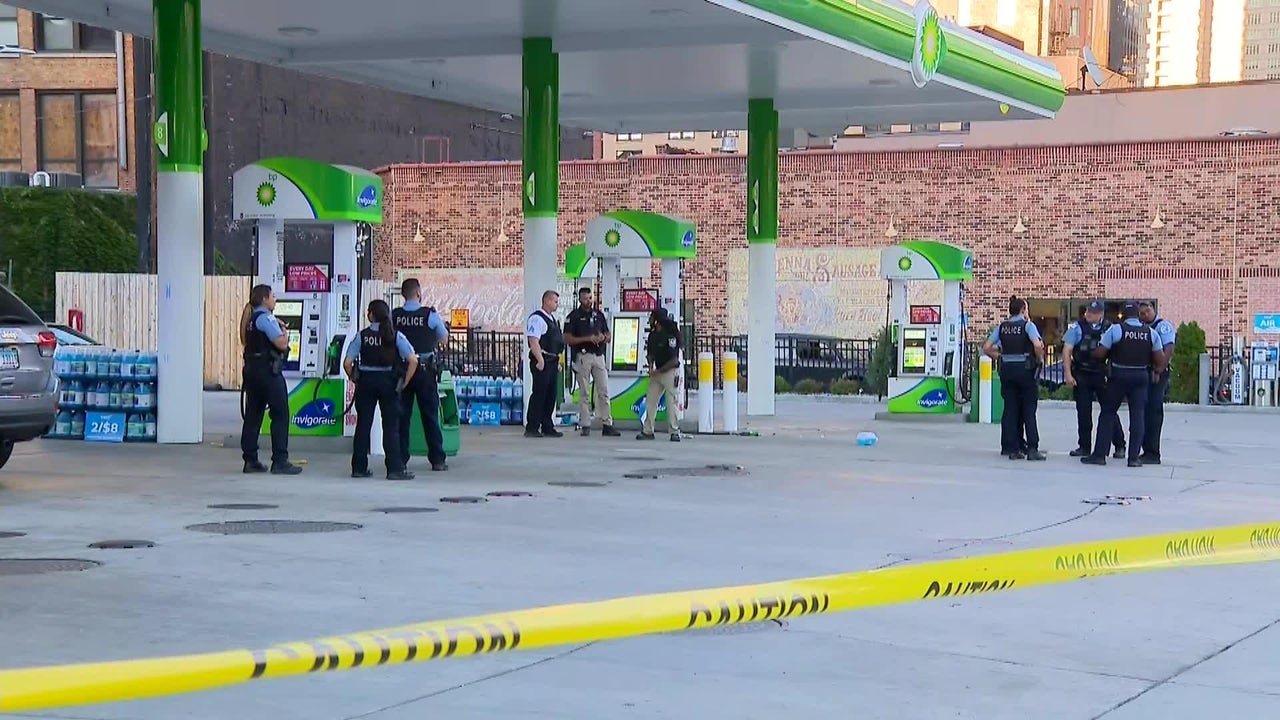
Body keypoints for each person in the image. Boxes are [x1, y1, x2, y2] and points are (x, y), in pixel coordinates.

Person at [1081, 300, 1165, 468]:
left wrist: (1098, 354)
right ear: (1138, 314)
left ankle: (1099, 455)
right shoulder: (1150, 332)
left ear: (1124, 315)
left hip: (1118, 375)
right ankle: (1133, 458)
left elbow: (1100, 353)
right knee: (1138, 415)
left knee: (1108, 413)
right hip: (1141, 376)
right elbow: (1161, 359)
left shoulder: (1116, 329)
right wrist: (1155, 371)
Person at [344, 299, 418, 480]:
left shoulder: (362, 336)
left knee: (363, 425)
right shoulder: (395, 336)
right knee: (391, 427)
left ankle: (359, 468)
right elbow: (413, 360)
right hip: (389, 382)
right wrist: (404, 383)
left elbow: (347, 363)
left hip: (366, 382)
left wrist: (354, 378)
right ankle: (394, 469)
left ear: (371, 315)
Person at [238, 284, 302, 475]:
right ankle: (280, 460)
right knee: (280, 413)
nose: (275, 299)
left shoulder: (251, 319)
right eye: (273, 296)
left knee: (253, 415)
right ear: (265, 298)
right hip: (268, 371)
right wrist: (284, 330)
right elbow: (281, 343)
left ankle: (250, 460)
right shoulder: (266, 318)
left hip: (252, 371)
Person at [391, 278, 449, 471]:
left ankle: (401, 459)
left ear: (402, 294)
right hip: (425, 370)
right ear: (418, 293)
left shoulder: (394, 316)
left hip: (402, 370)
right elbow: (443, 338)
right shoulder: (429, 315)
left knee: (402, 416)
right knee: (430, 416)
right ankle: (437, 459)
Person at [983, 296, 1046, 461]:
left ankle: (1011, 448)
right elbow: (1037, 345)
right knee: (1029, 409)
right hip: (1025, 370)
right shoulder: (1028, 326)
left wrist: (1000, 357)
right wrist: (1039, 359)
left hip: (1007, 371)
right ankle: (1032, 448)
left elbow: (987, 347)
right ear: (1023, 310)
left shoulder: (1002, 327)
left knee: (1010, 409)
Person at [1063, 300, 1126, 459]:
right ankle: (1084, 447)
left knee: (1109, 411)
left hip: (1101, 374)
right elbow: (1067, 351)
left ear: (1101, 314)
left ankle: (1119, 445)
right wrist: (1068, 374)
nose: (1088, 314)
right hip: (1082, 373)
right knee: (1083, 412)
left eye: (1092, 312)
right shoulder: (1077, 328)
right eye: (1088, 311)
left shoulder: (1110, 328)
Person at [564, 286, 619, 437]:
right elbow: (567, 338)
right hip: (583, 356)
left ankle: (607, 423)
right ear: (580, 299)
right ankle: (585, 424)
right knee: (584, 392)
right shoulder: (574, 316)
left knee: (603, 390)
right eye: (585, 299)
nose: (588, 301)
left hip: (599, 356)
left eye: (590, 298)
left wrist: (604, 337)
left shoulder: (598, 315)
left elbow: (608, 334)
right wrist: (588, 338)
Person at [637, 308, 684, 442]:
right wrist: (651, 365)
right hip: (657, 372)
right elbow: (650, 354)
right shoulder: (653, 335)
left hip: (670, 372)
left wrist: (657, 371)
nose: (650, 320)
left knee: (671, 402)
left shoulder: (670, 336)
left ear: (657, 320)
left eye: (652, 317)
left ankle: (674, 431)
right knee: (650, 401)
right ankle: (648, 430)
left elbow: (674, 360)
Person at [1139, 301, 1176, 465]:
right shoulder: (1141, 327)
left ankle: (1153, 452)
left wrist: (1159, 370)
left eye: (1147, 311)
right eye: (1142, 313)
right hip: (1144, 371)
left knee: (1153, 411)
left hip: (1157, 372)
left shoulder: (1163, 326)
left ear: (1153, 310)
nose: (1145, 315)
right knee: (1143, 411)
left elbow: (1168, 349)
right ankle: (1145, 449)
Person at [524, 290, 564, 439]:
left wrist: (557, 361)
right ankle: (532, 427)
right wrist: (540, 360)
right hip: (542, 360)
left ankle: (547, 426)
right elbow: (533, 341)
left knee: (550, 395)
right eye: (555, 301)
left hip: (552, 360)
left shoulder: (552, 319)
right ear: (547, 301)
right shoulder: (537, 319)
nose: (557, 304)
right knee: (539, 394)